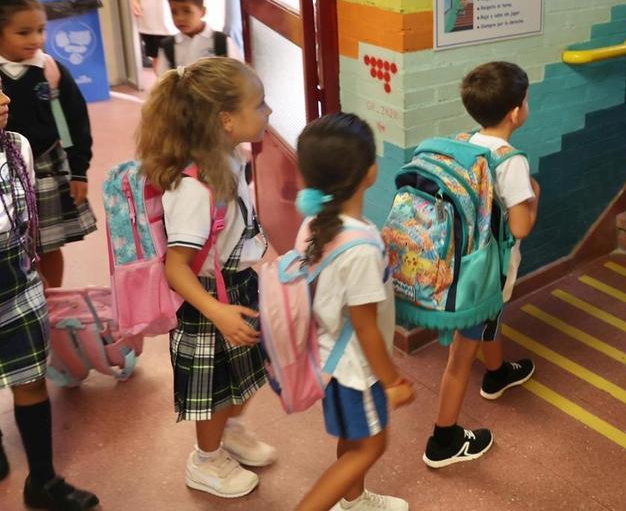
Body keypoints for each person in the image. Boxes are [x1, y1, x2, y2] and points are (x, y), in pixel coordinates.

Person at [135, 57, 275, 498]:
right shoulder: (194, 189)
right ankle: (206, 460)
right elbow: (176, 268)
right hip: (207, 302)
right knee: (214, 390)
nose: (268, 112)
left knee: (247, 375)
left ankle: (228, 431)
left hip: (235, 286)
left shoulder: (229, 159)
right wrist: (216, 312)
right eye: (260, 104)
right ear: (226, 120)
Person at [293, 113, 415, 511]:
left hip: (327, 357)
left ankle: (355, 500)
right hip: (354, 370)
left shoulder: (314, 224)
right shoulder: (361, 246)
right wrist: (392, 380)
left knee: (354, 437)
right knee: (371, 445)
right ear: (370, 172)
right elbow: (366, 328)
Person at [422, 61, 538, 469]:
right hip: (484, 275)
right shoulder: (511, 161)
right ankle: (443, 438)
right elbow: (521, 226)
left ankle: (497, 372)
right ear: (515, 112)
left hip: (459, 263)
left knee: (489, 321)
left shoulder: (464, 143)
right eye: (525, 100)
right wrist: (534, 194)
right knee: (458, 358)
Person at [0, 89, 99, 510]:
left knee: (30, 377)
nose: (4, 97)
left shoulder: (17, 145)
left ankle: (42, 480)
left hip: (16, 279)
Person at [0, 0, 94, 289]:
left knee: (48, 244)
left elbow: (77, 121)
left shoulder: (51, 70)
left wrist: (79, 170)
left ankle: (52, 300)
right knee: (13, 242)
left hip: (47, 168)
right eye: (23, 32)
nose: (36, 40)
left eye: (40, 30)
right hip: (6, 171)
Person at [156, 0, 242, 74]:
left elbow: (237, 76)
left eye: (187, 11)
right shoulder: (168, 46)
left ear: (202, 11)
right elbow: (163, 80)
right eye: (174, 12)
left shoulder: (222, 42)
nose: (179, 18)